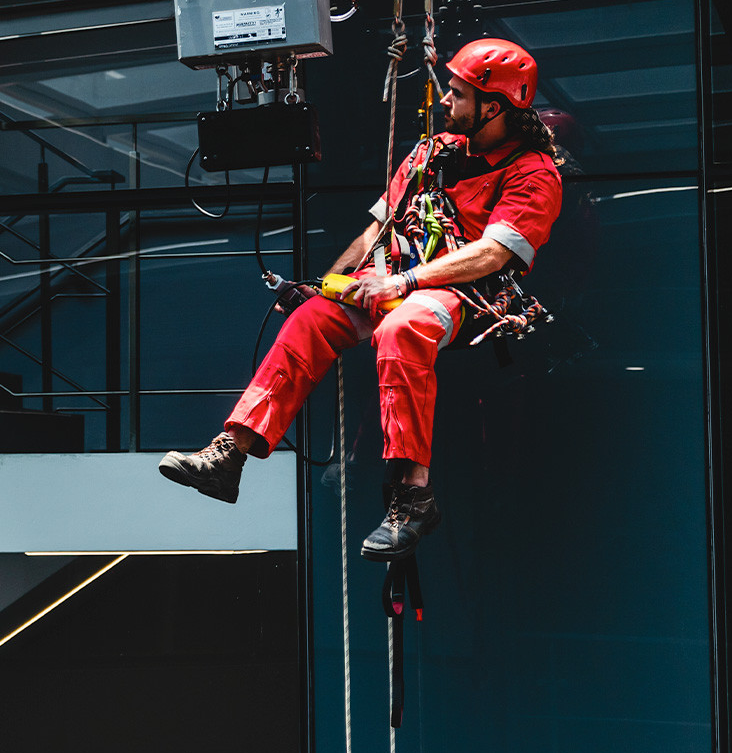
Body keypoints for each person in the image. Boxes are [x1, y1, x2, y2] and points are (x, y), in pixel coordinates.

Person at [158, 38, 564, 561]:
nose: (445, 101)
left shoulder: (533, 173)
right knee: (310, 320)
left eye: (458, 95)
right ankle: (230, 455)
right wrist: (326, 282)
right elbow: (376, 230)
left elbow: (490, 254)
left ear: (494, 106)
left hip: (457, 296)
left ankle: (413, 495)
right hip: (391, 282)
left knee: (402, 329)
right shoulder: (430, 155)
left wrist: (403, 283)